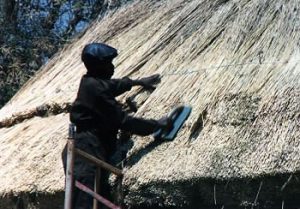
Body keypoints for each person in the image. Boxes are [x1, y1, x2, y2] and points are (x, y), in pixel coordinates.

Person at [62, 42, 172, 209]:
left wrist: (137, 82)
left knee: (98, 201)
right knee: (85, 203)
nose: (112, 67)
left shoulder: (90, 81)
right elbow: (123, 121)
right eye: (108, 64)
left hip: (88, 149)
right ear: (99, 67)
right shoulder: (96, 90)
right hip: (85, 153)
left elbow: (112, 85)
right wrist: (156, 125)